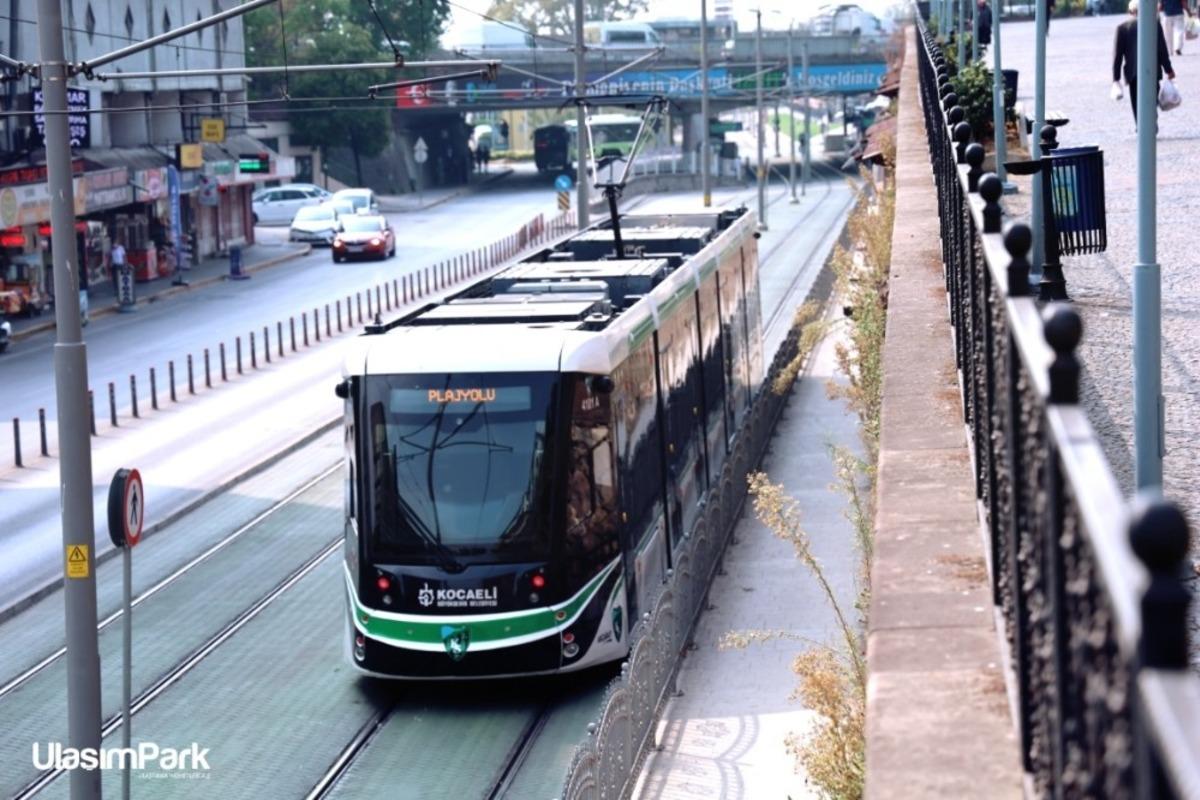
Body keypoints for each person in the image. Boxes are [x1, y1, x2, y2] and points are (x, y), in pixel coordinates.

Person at [1113, 0, 1176, 122]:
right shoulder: (1154, 24)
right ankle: (1151, 123)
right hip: (1152, 71)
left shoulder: (1122, 28)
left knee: (1136, 101)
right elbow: (1162, 49)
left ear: (1131, 11)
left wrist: (1116, 78)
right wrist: (1169, 70)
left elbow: (1118, 56)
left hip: (1132, 73)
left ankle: (1140, 125)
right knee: (1152, 100)